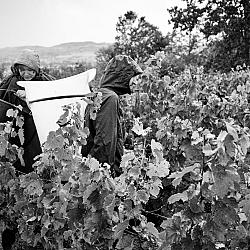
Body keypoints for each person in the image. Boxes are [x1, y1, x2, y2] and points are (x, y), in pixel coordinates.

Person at [81, 55, 143, 175]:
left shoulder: (101, 95)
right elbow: (105, 141)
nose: (135, 82)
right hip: (103, 171)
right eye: (133, 77)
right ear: (122, 76)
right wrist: (105, 173)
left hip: (95, 167)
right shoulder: (110, 98)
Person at [0, 49, 55, 174]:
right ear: (17, 69)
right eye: (22, 70)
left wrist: (30, 94)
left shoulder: (44, 80)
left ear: (36, 70)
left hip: (37, 127)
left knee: (34, 157)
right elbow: (3, 101)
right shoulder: (12, 82)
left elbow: (53, 94)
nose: (26, 73)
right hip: (16, 127)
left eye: (30, 70)